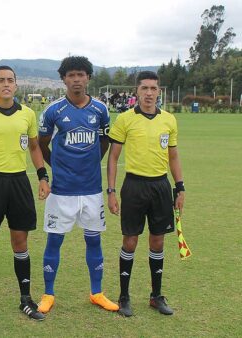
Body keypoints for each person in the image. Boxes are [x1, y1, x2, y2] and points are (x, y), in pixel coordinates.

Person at [0, 66, 50, 322]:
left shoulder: (27, 113)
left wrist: (42, 176)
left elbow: (35, 147)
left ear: (16, 85)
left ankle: (25, 299)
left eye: (10, 80)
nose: (6, 84)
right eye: (0, 80)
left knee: (20, 242)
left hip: (19, 183)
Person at [37, 56, 118, 315]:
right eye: (71, 75)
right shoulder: (53, 111)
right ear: (63, 79)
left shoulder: (100, 110)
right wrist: (56, 167)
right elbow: (41, 144)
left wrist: (94, 161)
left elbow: (105, 142)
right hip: (62, 191)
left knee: (94, 241)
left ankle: (97, 292)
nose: (76, 79)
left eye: (81, 74)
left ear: (88, 78)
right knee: (54, 241)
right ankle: (48, 294)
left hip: (92, 190)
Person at [107, 71, 185, 317]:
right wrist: (111, 191)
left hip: (161, 187)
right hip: (134, 186)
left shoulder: (169, 120)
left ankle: (156, 296)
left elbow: (173, 156)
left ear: (159, 91)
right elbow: (113, 158)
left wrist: (180, 186)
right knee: (130, 241)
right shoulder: (124, 119)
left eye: (153, 88)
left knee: (158, 240)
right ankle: (124, 296)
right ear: (137, 92)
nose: (149, 93)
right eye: (145, 88)